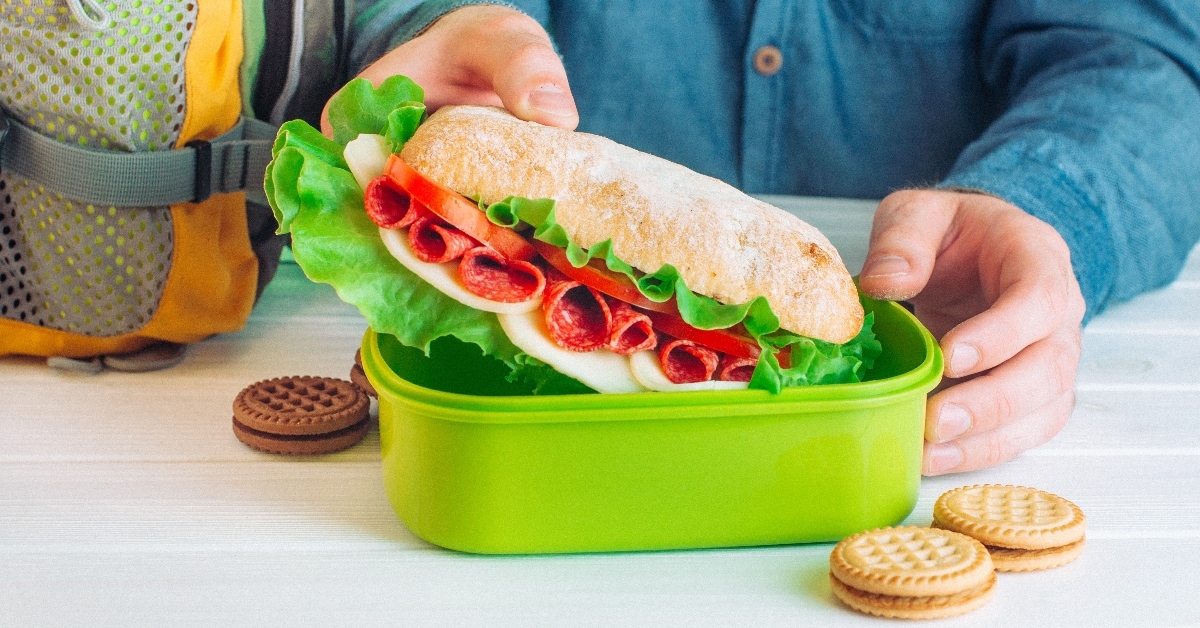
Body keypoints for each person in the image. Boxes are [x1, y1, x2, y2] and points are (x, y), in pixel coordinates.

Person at [324, 1, 1200, 475]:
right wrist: (436, 28)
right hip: (499, 434)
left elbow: (1139, 62)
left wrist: (1041, 202)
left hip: (908, 333)